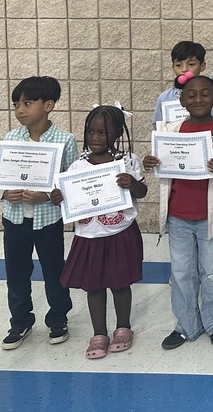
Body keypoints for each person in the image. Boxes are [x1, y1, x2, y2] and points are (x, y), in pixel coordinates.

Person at [142, 72, 213, 350]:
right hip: (178, 216)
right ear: (182, 100)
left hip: (211, 214)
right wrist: (151, 162)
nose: (198, 99)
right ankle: (186, 325)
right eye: (191, 94)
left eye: (205, 93)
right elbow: (162, 168)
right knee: (182, 273)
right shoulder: (170, 131)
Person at [55, 105, 146, 359]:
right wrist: (57, 196)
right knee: (93, 286)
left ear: (117, 133)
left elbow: (143, 192)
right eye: (90, 132)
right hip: (88, 236)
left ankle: (123, 327)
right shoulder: (77, 168)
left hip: (120, 232)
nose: (95, 137)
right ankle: (99, 334)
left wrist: (133, 184)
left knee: (120, 283)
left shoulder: (127, 162)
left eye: (102, 133)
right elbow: (65, 198)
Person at [0, 76, 78, 350]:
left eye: (27, 103)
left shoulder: (65, 141)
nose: (20, 109)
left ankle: (58, 318)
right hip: (15, 217)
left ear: (48, 105)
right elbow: (2, 178)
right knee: (17, 270)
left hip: (48, 220)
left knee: (54, 269)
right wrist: (6, 192)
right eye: (16, 104)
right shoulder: (10, 138)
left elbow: (69, 183)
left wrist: (47, 195)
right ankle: (20, 320)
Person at [151, 41, 206, 132]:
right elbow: (157, 126)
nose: (184, 69)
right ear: (173, 67)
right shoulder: (165, 97)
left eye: (191, 64)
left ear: (202, 66)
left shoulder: (210, 95)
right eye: (178, 65)